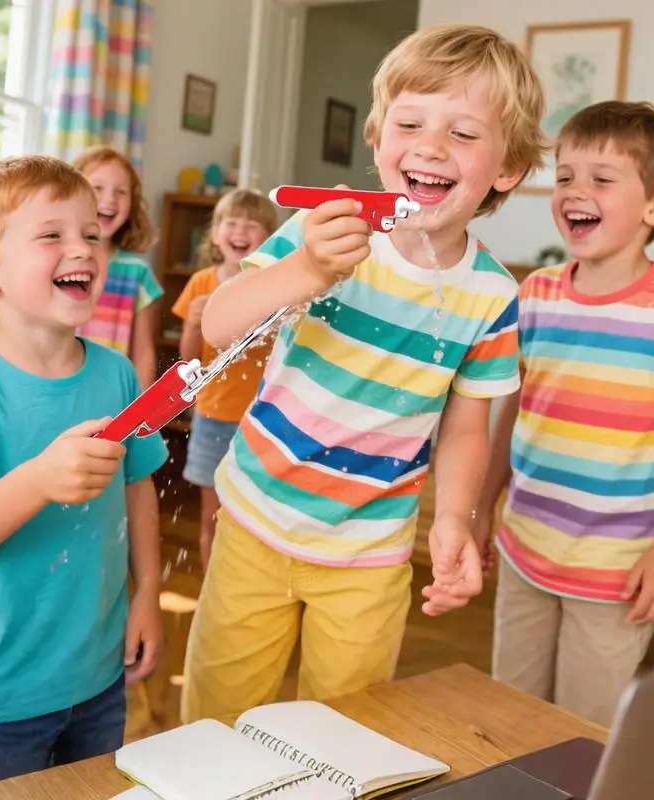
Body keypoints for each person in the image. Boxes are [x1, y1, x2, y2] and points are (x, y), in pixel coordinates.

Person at [180, 23, 546, 724]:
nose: (432, 146)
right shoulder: (321, 233)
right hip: (256, 521)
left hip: (372, 552)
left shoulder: (494, 296)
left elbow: (468, 425)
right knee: (215, 723)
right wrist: (308, 270)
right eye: (410, 123)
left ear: (507, 170)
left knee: (341, 731)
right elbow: (219, 325)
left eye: (464, 134)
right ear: (379, 143)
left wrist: (457, 522)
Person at [0, 155, 168, 788]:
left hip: (101, 669)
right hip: (5, 689)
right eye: (52, 234)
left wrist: (149, 597)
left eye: (89, 232)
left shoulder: (115, 375)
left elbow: (138, 494)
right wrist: (36, 480)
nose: (82, 247)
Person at [473, 100, 654, 727]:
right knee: (510, 720)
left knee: (585, 736)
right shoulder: (537, 294)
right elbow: (514, 413)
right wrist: (479, 510)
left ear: (652, 207)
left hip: (616, 576)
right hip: (525, 549)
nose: (576, 191)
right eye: (567, 175)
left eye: (602, 179)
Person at [172, 189, 278, 570]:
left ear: (268, 237)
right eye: (231, 223)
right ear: (216, 235)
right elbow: (187, 360)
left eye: (252, 225)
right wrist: (193, 323)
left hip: (263, 418)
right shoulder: (201, 283)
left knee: (258, 516)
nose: (240, 231)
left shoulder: (273, 284)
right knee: (211, 516)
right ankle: (211, 596)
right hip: (212, 416)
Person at [73, 145, 162, 388]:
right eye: (97, 188)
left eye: (121, 192)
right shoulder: (58, 265)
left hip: (114, 395)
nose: (109, 200)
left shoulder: (138, 273)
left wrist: (142, 413)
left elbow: (143, 351)